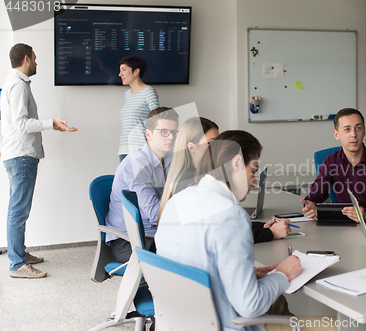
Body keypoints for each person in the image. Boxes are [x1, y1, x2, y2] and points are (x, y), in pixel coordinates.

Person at [156, 130, 335, 331]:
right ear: (236, 164)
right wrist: (283, 275)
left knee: (281, 306)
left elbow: (195, 264)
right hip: (223, 324)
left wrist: (246, 275)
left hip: (181, 321)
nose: (255, 182)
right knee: (339, 326)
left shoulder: (177, 201)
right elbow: (251, 306)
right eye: (254, 171)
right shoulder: (230, 215)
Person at [1, 43, 77, 278]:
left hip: (19, 153)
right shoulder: (18, 86)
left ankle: (19, 254)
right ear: (26, 59)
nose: (36, 62)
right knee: (18, 210)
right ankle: (16, 264)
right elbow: (21, 124)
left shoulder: (14, 83)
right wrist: (51, 122)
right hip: (21, 155)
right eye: (34, 58)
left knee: (19, 208)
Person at [159, 117, 290, 242]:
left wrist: (261, 227)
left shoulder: (202, 179)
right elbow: (227, 232)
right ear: (192, 148)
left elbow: (226, 226)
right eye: (211, 143)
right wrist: (270, 233)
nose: (218, 149)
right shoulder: (190, 183)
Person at [105, 107, 178, 263]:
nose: (171, 137)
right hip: (130, 242)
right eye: (164, 132)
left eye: (174, 132)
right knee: (190, 258)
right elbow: (154, 214)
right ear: (148, 134)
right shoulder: (137, 163)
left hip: (156, 233)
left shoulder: (170, 161)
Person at [301, 108, 366, 222]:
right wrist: (310, 204)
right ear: (337, 134)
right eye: (347, 129)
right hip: (343, 225)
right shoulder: (331, 161)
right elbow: (317, 193)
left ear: (364, 131)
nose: (354, 134)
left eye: (358, 128)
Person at [117, 56, 159, 162]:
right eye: (120, 71)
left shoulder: (148, 91)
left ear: (136, 71)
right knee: (125, 179)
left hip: (140, 148)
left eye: (124, 70)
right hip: (124, 149)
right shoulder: (127, 94)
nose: (120, 74)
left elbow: (158, 118)